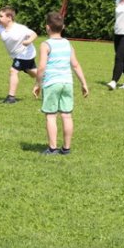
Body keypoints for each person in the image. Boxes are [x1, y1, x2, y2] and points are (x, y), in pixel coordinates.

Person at [33, 12, 89, 155]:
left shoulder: (45, 45)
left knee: (51, 116)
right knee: (66, 115)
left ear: (47, 27)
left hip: (52, 83)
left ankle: (52, 148)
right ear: (63, 27)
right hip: (67, 83)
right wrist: (83, 83)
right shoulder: (67, 43)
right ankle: (66, 148)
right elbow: (75, 65)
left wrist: (37, 84)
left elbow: (41, 67)